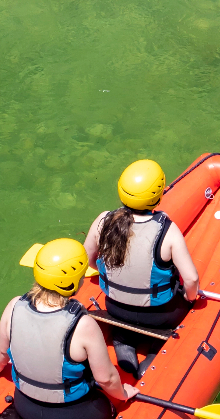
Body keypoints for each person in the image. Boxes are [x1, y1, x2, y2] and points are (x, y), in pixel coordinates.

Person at [0, 238, 135, 419]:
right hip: (75, 418)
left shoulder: (13, 306)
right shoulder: (83, 324)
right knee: (106, 409)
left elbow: (0, 351)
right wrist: (124, 394)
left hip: (26, 407)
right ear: (74, 283)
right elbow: (107, 379)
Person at [84, 158, 201, 377]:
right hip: (160, 316)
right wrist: (189, 298)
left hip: (115, 307)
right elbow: (192, 280)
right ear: (157, 195)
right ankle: (154, 354)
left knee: (123, 327)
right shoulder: (167, 231)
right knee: (175, 310)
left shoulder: (102, 221)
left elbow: (89, 260)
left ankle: (123, 343)